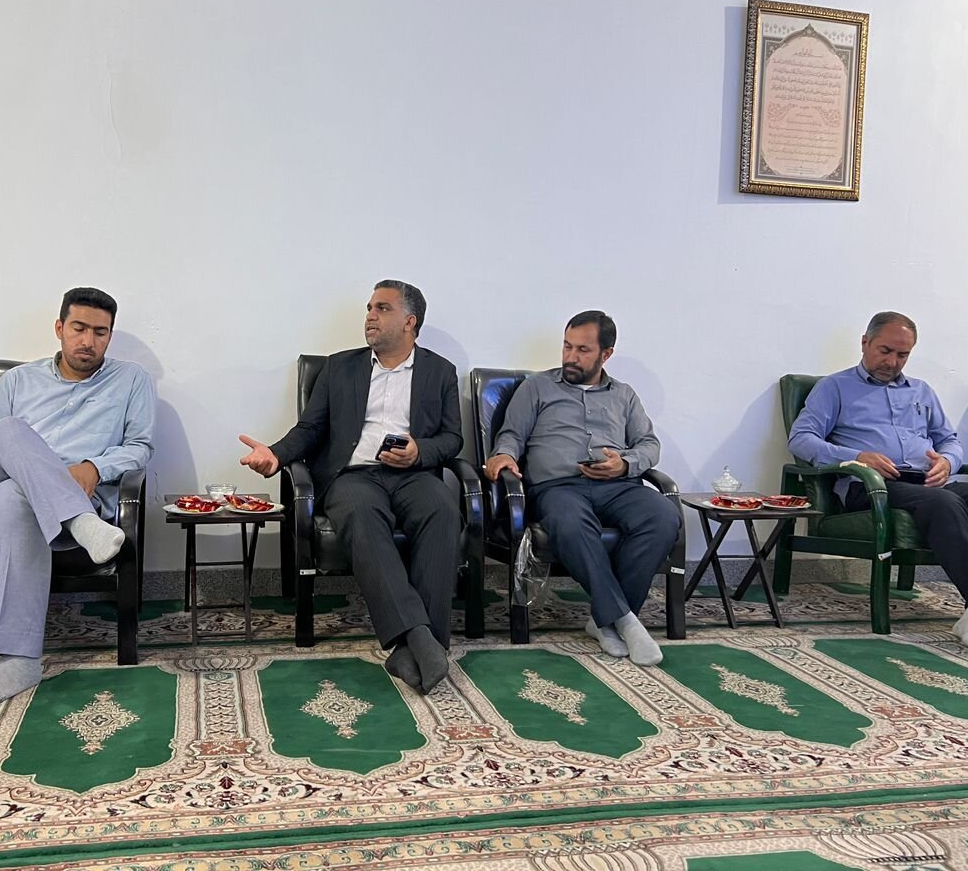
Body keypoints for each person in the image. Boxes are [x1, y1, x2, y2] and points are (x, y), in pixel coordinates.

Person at [0, 287, 153, 705]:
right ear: (59, 328)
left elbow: (139, 447)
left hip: (52, 494)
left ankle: (20, 661)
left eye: (100, 332)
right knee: (8, 430)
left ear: (110, 335)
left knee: (14, 495)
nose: (88, 341)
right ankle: (81, 524)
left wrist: (94, 467)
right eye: (79, 328)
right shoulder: (18, 380)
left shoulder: (131, 380)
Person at [238, 280, 462, 693]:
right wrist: (275, 454)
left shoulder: (440, 371)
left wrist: (419, 451)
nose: (370, 316)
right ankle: (422, 638)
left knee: (444, 509)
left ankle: (413, 647)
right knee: (361, 513)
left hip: (413, 475)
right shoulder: (339, 367)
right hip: (353, 476)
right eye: (369, 308)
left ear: (410, 322)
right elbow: (310, 429)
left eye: (382, 308)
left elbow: (452, 439)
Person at [788, 311, 968, 662]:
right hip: (873, 487)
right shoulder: (834, 388)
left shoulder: (921, 391)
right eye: (885, 351)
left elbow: (950, 440)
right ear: (865, 343)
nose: (892, 362)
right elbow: (801, 438)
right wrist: (858, 457)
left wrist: (947, 462)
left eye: (902, 355)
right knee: (944, 504)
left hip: (929, 482)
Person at [484, 310, 679, 666]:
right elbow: (511, 434)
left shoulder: (624, 395)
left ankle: (605, 619)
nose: (571, 357)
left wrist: (625, 464)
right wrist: (505, 455)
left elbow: (649, 444)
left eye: (582, 350)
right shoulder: (537, 387)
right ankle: (624, 621)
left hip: (618, 485)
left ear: (606, 354)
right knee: (571, 522)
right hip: (558, 488)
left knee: (663, 515)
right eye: (567, 346)